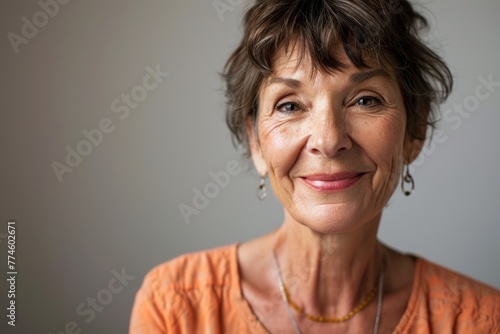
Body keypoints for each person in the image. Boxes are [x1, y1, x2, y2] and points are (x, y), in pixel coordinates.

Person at [129, 0, 500, 333]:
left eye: (365, 100)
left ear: (414, 132)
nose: (327, 138)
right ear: (255, 141)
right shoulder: (176, 307)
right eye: (289, 105)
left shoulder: (478, 319)